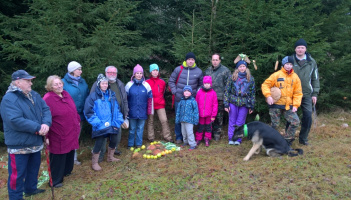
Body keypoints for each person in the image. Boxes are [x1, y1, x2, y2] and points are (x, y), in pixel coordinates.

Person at [0, 70, 52, 200]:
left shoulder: (33, 95)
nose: (31, 83)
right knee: (17, 175)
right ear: (18, 82)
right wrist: (37, 127)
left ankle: (30, 189)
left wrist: (46, 123)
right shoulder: (9, 99)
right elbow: (14, 120)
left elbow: (46, 109)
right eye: (27, 80)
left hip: (35, 142)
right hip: (19, 145)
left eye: (30, 80)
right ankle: (15, 197)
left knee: (33, 169)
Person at [43, 75, 80, 188]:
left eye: (60, 83)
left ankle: (67, 171)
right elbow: (45, 117)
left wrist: (77, 120)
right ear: (50, 86)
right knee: (59, 155)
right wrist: (47, 136)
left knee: (69, 152)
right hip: (58, 132)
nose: (59, 86)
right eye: (56, 84)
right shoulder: (48, 98)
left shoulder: (66, 94)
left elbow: (73, 109)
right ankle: (55, 180)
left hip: (71, 130)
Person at [84, 74, 124, 171]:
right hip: (100, 125)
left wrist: (118, 121)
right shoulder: (93, 97)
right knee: (99, 142)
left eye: (106, 83)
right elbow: (88, 112)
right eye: (103, 83)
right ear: (99, 84)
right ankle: (95, 162)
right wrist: (99, 124)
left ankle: (110, 157)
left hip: (112, 123)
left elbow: (117, 110)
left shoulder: (112, 95)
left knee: (114, 140)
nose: (105, 85)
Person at [261, 56, 303, 146]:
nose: (289, 66)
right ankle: (269, 142)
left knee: (295, 122)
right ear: (283, 64)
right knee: (275, 125)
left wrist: (295, 105)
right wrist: (268, 96)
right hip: (275, 105)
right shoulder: (276, 75)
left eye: (291, 64)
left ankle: (287, 141)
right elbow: (265, 85)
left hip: (288, 106)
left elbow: (298, 92)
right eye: (287, 64)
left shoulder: (295, 77)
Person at [90, 66, 129, 161]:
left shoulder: (120, 84)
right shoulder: (97, 84)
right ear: (105, 73)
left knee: (117, 135)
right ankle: (100, 156)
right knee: (102, 137)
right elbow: (92, 101)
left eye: (114, 73)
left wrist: (125, 112)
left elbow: (124, 99)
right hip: (103, 117)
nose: (112, 74)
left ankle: (111, 154)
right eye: (110, 72)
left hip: (116, 115)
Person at [169, 52, 203, 144]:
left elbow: (201, 85)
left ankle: (190, 137)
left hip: (192, 100)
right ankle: (179, 137)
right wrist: (175, 92)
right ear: (186, 60)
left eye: (192, 59)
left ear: (194, 61)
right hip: (179, 99)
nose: (190, 61)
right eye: (189, 59)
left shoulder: (198, 71)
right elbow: (171, 81)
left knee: (191, 119)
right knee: (178, 118)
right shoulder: (178, 69)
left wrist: (197, 94)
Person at [291, 38, 320, 145]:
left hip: (307, 94)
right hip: (292, 94)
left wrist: (315, 94)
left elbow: (315, 78)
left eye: (302, 48)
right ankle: (289, 138)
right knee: (290, 116)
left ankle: (303, 139)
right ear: (295, 49)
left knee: (307, 116)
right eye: (298, 47)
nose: (300, 50)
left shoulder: (311, 62)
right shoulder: (289, 60)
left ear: (305, 49)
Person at [224, 55, 255, 145]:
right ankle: (231, 138)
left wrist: (252, 105)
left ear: (246, 67)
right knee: (232, 120)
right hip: (233, 101)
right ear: (238, 67)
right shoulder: (232, 77)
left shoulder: (250, 78)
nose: (242, 68)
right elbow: (227, 91)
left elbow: (252, 93)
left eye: (243, 66)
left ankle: (238, 139)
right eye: (240, 66)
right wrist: (226, 104)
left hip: (245, 102)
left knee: (240, 121)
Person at [62, 61, 89, 165]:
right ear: (72, 71)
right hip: (68, 116)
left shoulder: (83, 82)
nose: (81, 71)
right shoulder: (63, 83)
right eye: (79, 69)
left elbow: (86, 96)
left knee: (76, 137)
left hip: (80, 115)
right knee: (67, 137)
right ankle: (65, 159)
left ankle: (73, 158)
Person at [125, 64, 153, 148]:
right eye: (137, 73)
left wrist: (149, 111)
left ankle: (138, 144)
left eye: (141, 73)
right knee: (132, 129)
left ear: (143, 74)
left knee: (140, 129)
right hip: (132, 111)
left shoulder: (146, 85)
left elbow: (150, 99)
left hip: (142, 111)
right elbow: (125, 99)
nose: (139, 75)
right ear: (134, 74)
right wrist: (126, 111)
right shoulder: (129, 85)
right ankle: (130, 144)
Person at [204, 53, 231, 141]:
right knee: (209, 115)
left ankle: (217, 133)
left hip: (220, 97)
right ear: (211, 60)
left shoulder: (225, 71)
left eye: (216, 60)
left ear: (219, 60)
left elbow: (229, 85)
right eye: (213, 60)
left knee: (218, 116)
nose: (215, 62)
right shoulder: (208, 71)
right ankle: (209, 132)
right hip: (208, 97)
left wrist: (226, 98)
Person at [146, 64, 173, 142]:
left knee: (164, 120)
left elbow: (163, 92)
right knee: (150, 121)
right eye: (153, 70)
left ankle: (167, 136)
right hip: (150, 104)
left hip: (160, 104)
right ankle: (151, 137)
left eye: (156, 70)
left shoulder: (162, 82)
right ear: (151, 72)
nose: (155, 72)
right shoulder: (147, 82)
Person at [195, 76, 218, 147]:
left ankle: (207, 138)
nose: (207, 85)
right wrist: (196, 113)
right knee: (200, 127)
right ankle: (198, 139)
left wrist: (213, 115)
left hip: (209, 114)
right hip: (200, 114)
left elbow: (215, 105)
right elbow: (196, 102)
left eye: (208, 83)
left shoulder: (213, 93)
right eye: (205, 83)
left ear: (210, 84)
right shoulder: (199, 92)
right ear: (203, 84)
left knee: (208, 127)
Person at [175, 86, 199, 150]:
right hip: (182, 120)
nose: (186, 92)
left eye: (188, 91)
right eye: (185, 91)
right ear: (183, 92)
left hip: (190, 120)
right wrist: (177, 119)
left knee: (189, 132)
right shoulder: (181, 101)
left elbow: (196, 111)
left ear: (191, 93)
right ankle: (185, 142)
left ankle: (193, 144)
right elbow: (178, 111)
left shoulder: (193, 101)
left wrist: (196, 120)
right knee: (184, 132)